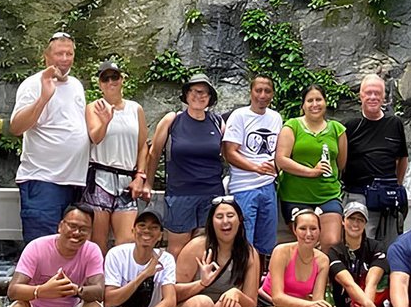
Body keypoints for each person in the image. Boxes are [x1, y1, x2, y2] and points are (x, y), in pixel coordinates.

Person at [11, 31, 90, 243]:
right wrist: (44, 98)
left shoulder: (76, 85)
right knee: (43, 246)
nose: (64, 59)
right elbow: (17, 127)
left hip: (74, 182)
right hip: (43, 180)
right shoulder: (32, 84)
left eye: (69, 53)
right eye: (59, 54)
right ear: (46, 56)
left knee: (68, 247)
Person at [146, 73, 226, 257]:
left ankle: (201, 284)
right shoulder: (172, 120)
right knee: (177, 249)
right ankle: (176, 285)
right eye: (195, 91)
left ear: (210, 98)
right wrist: (148, 184)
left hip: (211, 193)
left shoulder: (218, 122)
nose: (199, 96)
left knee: (207, 246)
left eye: (204, 93)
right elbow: (154, 153)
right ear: (187, 94)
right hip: (181, 193)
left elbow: (227, 154)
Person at [84, 60, 149, 251]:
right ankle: (97, 281)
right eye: (106, 78)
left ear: (122, 80)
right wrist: (105, 121)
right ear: (100, 83)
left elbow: (142, 145)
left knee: (127, 242)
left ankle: (120, 281)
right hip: (100, 179)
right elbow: (95, 137)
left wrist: (140, 176)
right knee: (97, 242)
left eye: (115, 77)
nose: (111, 82)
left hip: (127, 180)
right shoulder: (94, 107)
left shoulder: (135, 109)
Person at [275, 84, 348, 248]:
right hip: (296, 196)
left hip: (327, 194)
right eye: (310, 100)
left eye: (318, 99)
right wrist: (311, 172)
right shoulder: (292, 126)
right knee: (304, 243)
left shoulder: (338, 129)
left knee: (332, 241)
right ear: (303, 105)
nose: (315, 104)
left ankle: (326, 273)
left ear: (325, 102)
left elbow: (341, 163)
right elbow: (281, 160)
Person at [341, 74, 409, 241]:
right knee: (361, 242)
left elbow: (403, 158)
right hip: (359, 194)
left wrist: (397, 184)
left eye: (377, 93)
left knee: (391, 245)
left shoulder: (395, 123)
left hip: (388, 195)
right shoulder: (350, 126)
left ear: (384, 96)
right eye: (368, 93)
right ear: (361, 96)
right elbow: (341, 162)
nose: (373, 97)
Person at [223, 75, 283, 262]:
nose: (262, 95)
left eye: (267, 91)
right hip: (244, 188)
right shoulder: (239, 116)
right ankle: (240, 284)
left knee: (265, 243)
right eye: (258, 90)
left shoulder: (276, 118)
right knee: (243, 240)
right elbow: (229, 153)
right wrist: (255, 168)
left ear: (272, 94)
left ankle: (258, 285)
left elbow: (279, 151)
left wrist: (276, 166)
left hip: (268, 187)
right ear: (251, 92)